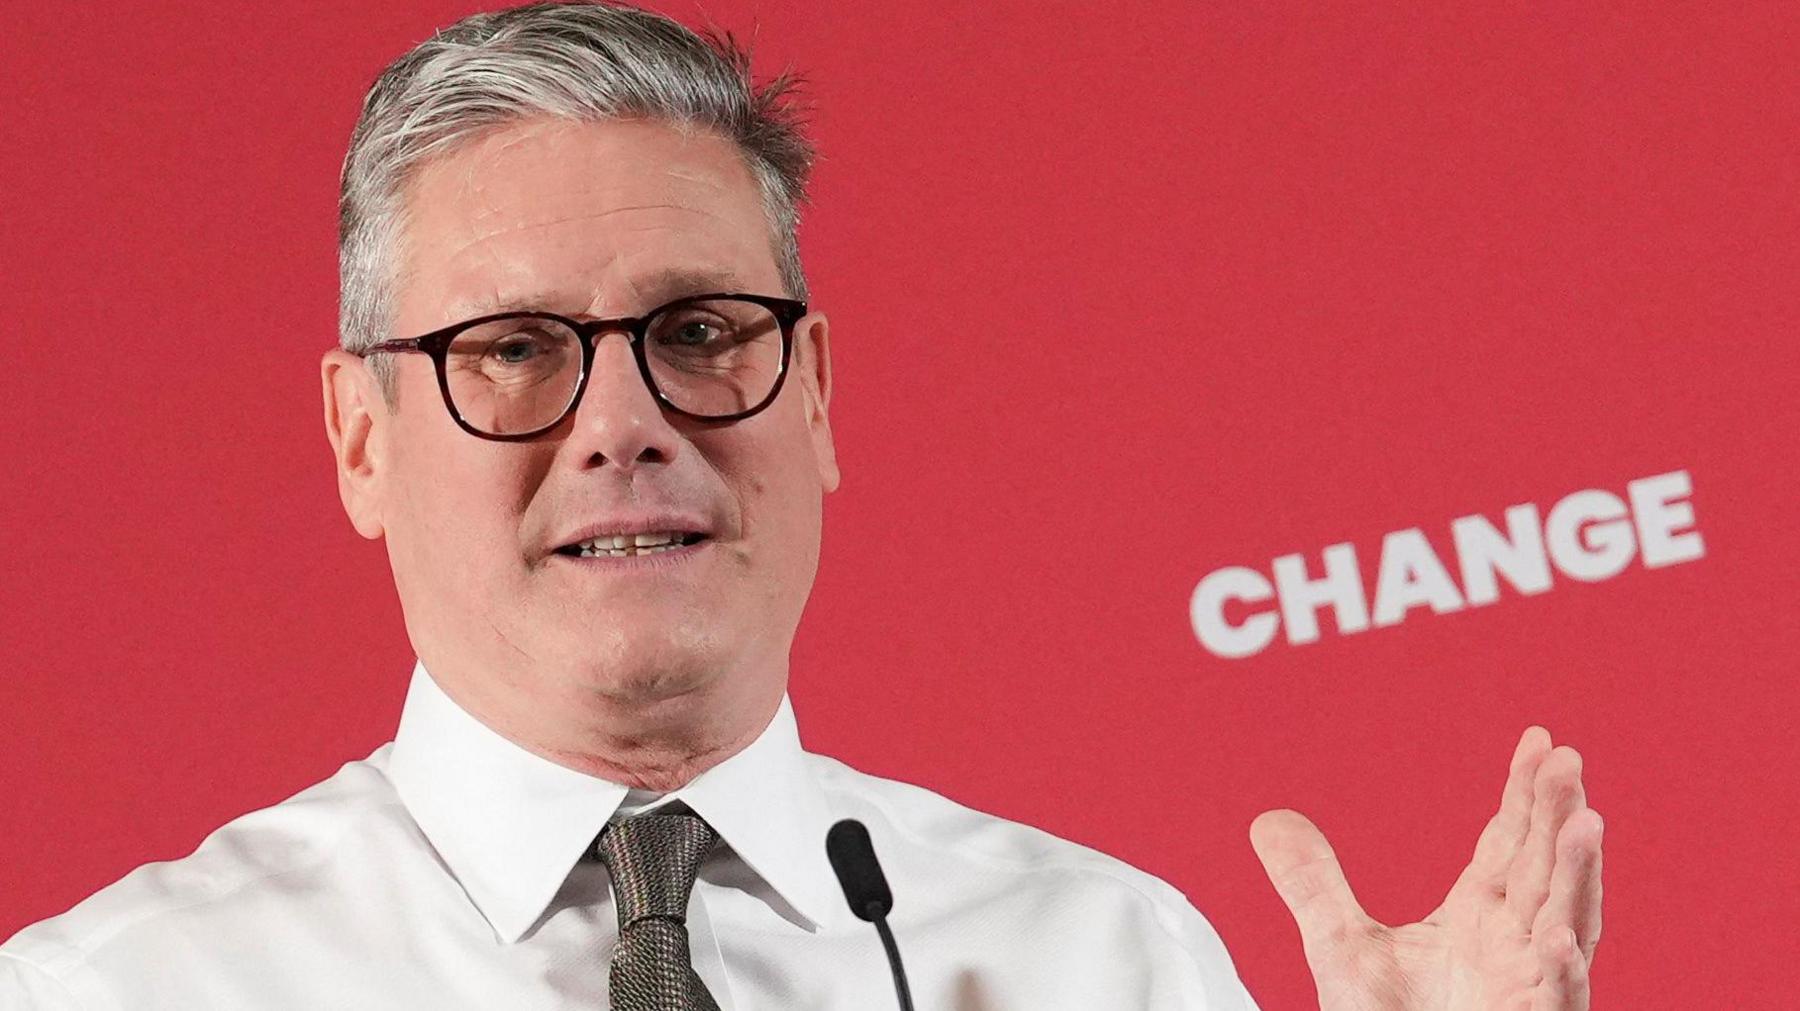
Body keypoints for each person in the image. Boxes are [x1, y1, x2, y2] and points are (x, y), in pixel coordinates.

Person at [0, 3, 1604, 1008]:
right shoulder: (122, 994)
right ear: (362, 439)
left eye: (701, 333)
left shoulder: (1107, 963)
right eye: (513, 350)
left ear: (816, 396)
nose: (625, 426)